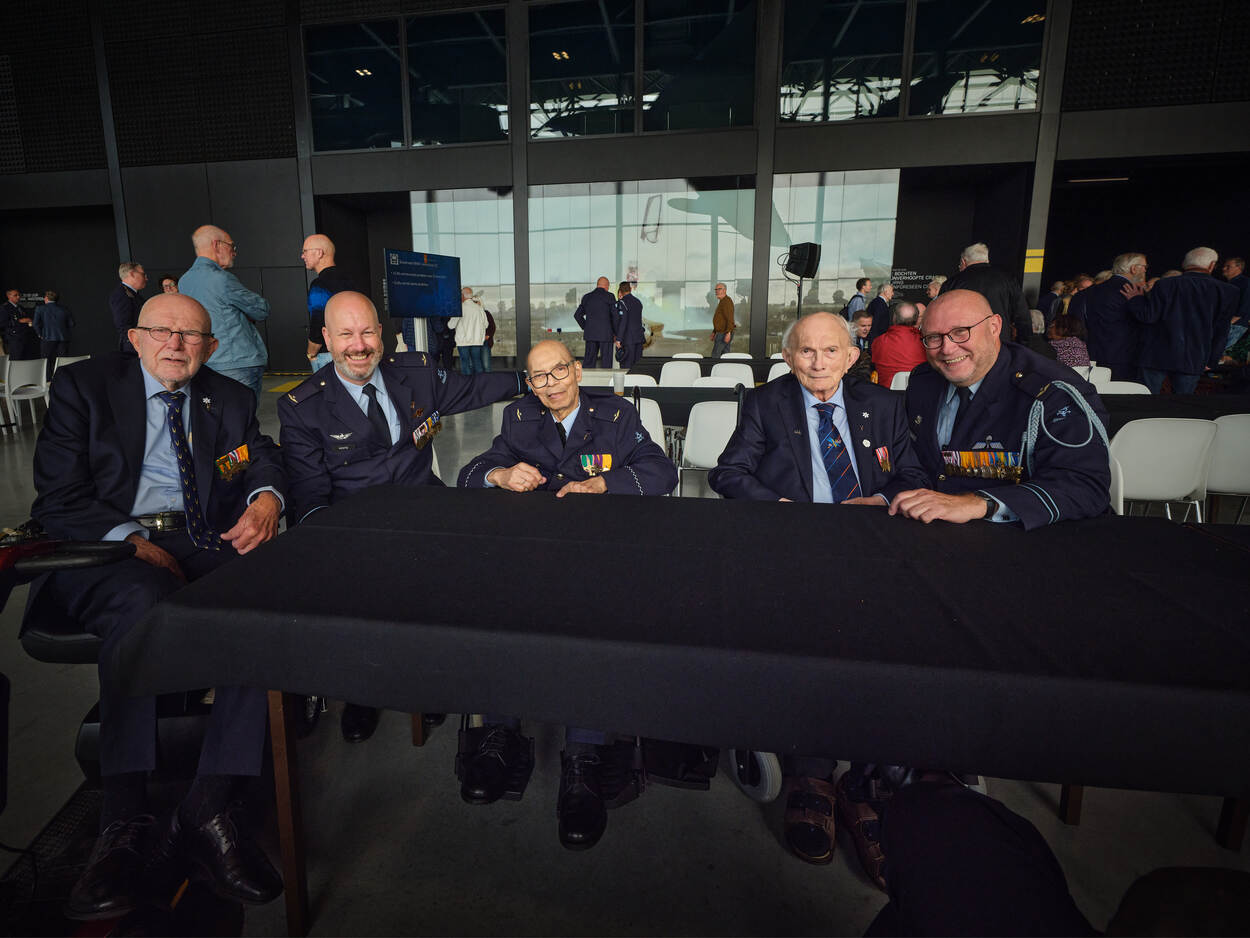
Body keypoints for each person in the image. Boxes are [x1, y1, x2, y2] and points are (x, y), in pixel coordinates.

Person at [30, 292, 285, 919]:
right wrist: (132, 542)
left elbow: (257, 455)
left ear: (211, 347)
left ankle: (209, 807)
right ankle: (122, 821)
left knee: (270, 607)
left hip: (202, 539)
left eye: (192, 335)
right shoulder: (83, 388)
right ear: (136, 337)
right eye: (161, 331)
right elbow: (57, 499)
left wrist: (266, 495)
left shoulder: (227, 397)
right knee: (145, 607)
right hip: (108, 544)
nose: (176, 343)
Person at [708, 311, 927, 877]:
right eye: (806, 352)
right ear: (788, 357)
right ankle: (811, 771)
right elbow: (728, 473)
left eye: (831, 351)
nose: (818, 362)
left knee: (894, 644)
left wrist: (879, 504)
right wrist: (782, 512)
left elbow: (911, 473)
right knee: (810, 645)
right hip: (795, 551)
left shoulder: (884, 406)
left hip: (873, 547)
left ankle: (869, 777)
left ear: (852, 356)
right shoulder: (765, 404)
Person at [457, 339, 676, 851]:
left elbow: (661, 472)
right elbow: (472, 472)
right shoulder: (518, 417)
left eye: (559, 371)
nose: (551, 384)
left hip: (600, 558)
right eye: (539, 377)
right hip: (531, 555)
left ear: (577, 370)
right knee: (496, 615)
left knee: (594, 630)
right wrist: (500, 473)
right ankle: (500, 734)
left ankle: (583, 756)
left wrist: (603, 485)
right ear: (529, 384)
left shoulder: (616, 415)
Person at [278, 291, 524, 743]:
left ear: (384, 337)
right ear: (327, 340)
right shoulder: (303, 406)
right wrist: (327, 543)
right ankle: (362, 692)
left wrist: (534, 380)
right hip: (353, 524)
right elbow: (310, 490)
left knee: (476, 572)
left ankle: (430, 681)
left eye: (368, 331)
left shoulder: (418, 374)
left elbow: (474, 388)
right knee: (360, 593)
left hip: (423, 509)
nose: (359, 344)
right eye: (346, 334)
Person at [890, 289, 1111, 531]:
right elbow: (914, 462)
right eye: (933, 337)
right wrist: (886, 496)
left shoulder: (1052, 391)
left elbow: (1084, 486)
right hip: (927, 535)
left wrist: (980, 503)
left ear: (994, 326)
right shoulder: (924, 381)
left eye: (960, 333)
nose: (947, 349)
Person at [1122, 246, 1239, 395]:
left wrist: (1135, 299)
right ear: (1211, 265)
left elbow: (1148, 316)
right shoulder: (1228, 291)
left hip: (1156, 356)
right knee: (1183, 405)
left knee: (1147, 403)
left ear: (1185, 264)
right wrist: (1212, 359)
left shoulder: (1164, 284)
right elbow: (1222, 329)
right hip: (1194, 357)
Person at [178, 225, 270, 401]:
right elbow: (261, 309)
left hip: (203, 361)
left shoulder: (184, 281)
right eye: (231, 246)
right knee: (242, 420)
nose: (234, 252)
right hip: (237, 361)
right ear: (216, 245)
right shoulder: (222, 279)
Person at [1068, 252, 1146, 381]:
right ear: (1134, 268)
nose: (1145, 270)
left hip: (1089, 356)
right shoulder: (1133, 293)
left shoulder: (1085, 294)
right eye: (1144, 266)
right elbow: (1143, 320)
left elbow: (1075, 325)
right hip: (1125, 359)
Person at [939, 242, 1032, 342]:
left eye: (960, 264)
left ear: (963, 261)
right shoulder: (1008, 280)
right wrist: (1023, 344)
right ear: (987, 260)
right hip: (1000, 343)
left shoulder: (951, 283)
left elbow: (941, 317)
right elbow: (1023, 317)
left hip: (963, 344)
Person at [301, 233, 354, 372]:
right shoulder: (350, 281)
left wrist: (311, 353)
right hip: (352, 351)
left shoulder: (319, 285)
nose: (302, 256)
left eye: (305, 251)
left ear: (319, 253)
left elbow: (318, 323)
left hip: (328, 355)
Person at [871, 301, 926, 388]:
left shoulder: (878, 341)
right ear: (916, 320)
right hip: (920, 392)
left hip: (886, 395)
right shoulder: (925, 343)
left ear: (894, 318)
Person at [574, 276, 618, 368]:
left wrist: (586, 327)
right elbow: (615, 316)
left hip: (591, 335)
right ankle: (606, 382)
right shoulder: (610, 296)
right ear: (606, 286)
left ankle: (587, 381)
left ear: (597, 285)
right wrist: (616, 333)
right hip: (606, 335)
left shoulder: (587, 297)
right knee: (606, 364)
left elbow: (577, 315)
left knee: (589, 363)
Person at [33, 290, 75, 380]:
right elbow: (72, 324)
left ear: (46, 298)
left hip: (47, 338)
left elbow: (35, 324)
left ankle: (47, 380)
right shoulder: (64, 309)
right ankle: (63, 380)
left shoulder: (40, 309)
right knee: (63, 361)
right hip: (63, 339)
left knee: (46, 361)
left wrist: (40, 334)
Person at [109, 262, 147, 354]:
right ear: (132, 274)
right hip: (133, 346)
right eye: (143, 274)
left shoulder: (133, 294)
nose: (146, 278)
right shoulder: (121, 295)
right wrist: (136, 343)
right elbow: (123, 326)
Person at [449, 286, 489, 375]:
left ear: (462, 295)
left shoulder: (460, 308)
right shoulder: (479, 308)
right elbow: (486, 325)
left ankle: (468, 386)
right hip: (477, 341)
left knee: (465, 364)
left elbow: (451, 325)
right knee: (477, 363)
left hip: (463, 342)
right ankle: (481, 384)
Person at [614, 281, 644, 367]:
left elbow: (623, 321)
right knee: (637, 367)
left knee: (626, 367)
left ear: (620, 291)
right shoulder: (638, 302)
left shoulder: (622, 303)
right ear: (630, 289)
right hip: (639, 338)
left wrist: (619, 339)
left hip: (627, 340)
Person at [1, 288, 38, 359]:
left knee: (25, 361)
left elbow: (25, 320)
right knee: (16, 361)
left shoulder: (20, 307)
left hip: (25, 338)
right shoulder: (4, 308)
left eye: (19, 295)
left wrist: (29, 321)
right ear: (9, 296)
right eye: (15, 295)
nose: (18, 297)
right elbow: (3, 323)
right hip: (14, 340)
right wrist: (19, 321)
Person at [710, 282, 736, 357]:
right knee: (725, 355)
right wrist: (714, 332)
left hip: (724, 333)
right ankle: (725, 368)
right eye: (716, 289)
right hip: (722, 332)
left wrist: (728, 333)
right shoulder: (722, 301)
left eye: (719, 289)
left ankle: (715, 367)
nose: (716, 291)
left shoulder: (727, 301)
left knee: (716, 355)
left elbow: (730, 318)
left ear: (725, 290)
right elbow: (720, 320)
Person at [848, 310, 874, 380]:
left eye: (869, 325)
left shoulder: (871, 337)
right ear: (853, 325)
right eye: (863, 326)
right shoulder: (847, 340)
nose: (867, 329)